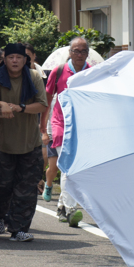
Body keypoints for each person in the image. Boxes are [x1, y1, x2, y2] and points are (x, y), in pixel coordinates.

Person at [0, 42, 47, 242]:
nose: (15, 61)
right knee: (2, 187)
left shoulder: (34, 76)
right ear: (5, 60)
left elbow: (42, 105)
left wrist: (21, 107)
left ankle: (18, 230)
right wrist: (2, 104)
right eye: (11, 57)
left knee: (26, 190)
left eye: (19, 57)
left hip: (30, 143)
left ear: (26, 59)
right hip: (4, 144)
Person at [42, 36, 90, 227]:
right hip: (60, 124)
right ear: (70, 52)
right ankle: (71, 209)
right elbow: (46, 101)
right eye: (76, 51)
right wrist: (43, 129)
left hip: (81, 126)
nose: (80, 54)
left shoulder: (91, 72)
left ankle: (62, 206)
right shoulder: (59, 71)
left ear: (87, 53)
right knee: (69, 166)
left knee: (73, 167)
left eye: (83, 51)